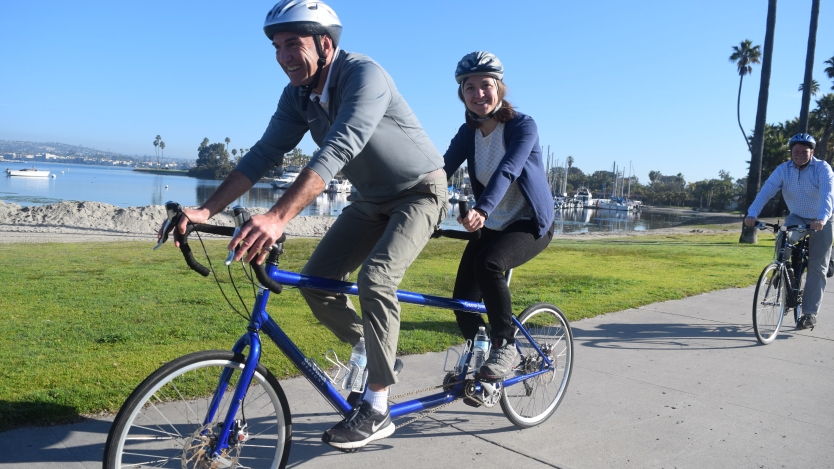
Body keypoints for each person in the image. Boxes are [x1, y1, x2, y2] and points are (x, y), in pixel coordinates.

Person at [165, 0, 447, 450]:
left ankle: (377, 406)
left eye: (292, 44)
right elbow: (263, 154)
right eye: (276, 46)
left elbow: (339, 149)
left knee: (376, 278)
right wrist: (206, 210)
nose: (283, 56)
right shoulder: (297, 96)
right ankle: (376, 352)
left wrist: (277, 217)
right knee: (317, 283)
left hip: (420, 192)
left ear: (325, 44)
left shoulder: (364, 75)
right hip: (370, 199)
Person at [442, 52, 555, 382]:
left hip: (529, 222)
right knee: (462, 303)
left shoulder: (522, 126)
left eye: (486, 86)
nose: (478, 94)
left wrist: (481, 209)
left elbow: (509, 169)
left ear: (500, 89)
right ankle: (480, 360)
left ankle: (504, 344)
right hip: (491, 223)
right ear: (461, 94)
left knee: (489, 264)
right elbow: (441, 170)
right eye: (469, 88)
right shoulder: (468, 134)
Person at [744, 133, 834, 330]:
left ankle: (809, 314)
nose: (800, 155)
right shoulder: (783, 170)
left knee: (818, 267)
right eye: (796, 151)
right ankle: (782, 274)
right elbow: (766, 191)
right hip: (798, 216)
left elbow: (828, 195)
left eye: (804, 151)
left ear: (812, 152)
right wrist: (752, 213)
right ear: (791, 153)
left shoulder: (822, 168)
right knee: (782, 239)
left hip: (822, 219)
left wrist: (822, 219)